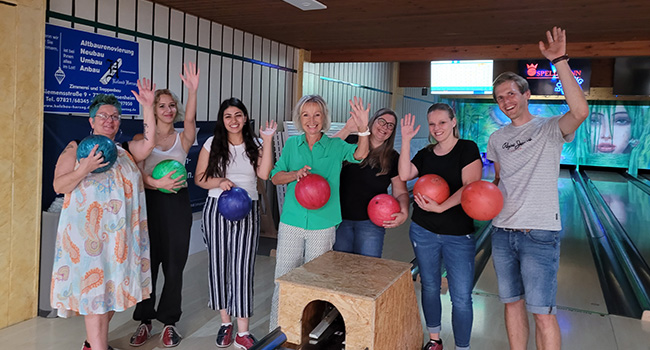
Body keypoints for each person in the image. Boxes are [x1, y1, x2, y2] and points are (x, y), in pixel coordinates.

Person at [486, 27, 589, 350]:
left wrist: (558, 60)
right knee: (512, 304)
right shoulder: (497, 139)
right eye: (500, 97)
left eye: (511, 94)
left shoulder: (549, 128)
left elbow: (580, 112)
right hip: (502, 232)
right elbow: (499, 181)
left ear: (526, 94)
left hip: (539, 232)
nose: (506, 101)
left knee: (543, 313)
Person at [51, 84, 157, 350]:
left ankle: (91, 343)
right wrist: (84, 167)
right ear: (92, 120)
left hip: (119, 239)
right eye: (103, 116)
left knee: (112, 295)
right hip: (88, 241)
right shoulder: (75, 148)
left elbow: (150, 142)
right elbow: (59, 186)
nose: (110, 121)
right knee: (96, 297)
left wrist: (147, 106)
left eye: (115, 116)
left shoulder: (123, 150)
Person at [268, 95, 370, 330]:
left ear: (324, 118)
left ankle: (309, 334)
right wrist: (295, 174)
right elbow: (275, 176)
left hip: (322, 224)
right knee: (283, 278)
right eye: (306, 115)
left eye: (317, 114)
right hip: (292, 222)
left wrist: (363, 128)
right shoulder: (293, 145)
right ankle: (277, 331)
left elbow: (360, 155)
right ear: (299, 118)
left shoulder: (335, 145)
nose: (311, 120)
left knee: (315, 284)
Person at [194, 98, 276, 349]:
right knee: (219, 266)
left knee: (242, 267)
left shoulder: (257, 144)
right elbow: (199, 179)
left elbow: (264, 175)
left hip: (246, 209)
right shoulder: (212, 144)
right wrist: (219, 182)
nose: (233, 120)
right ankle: (225, 323)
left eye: (238, 115)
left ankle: (243, 331)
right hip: (217, 208)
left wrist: (269, 139)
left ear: (245, 118)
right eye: (228, 116)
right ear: (222, 119)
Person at [399, 103, 482, 350]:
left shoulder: (467, 149)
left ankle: (463, 346)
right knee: (430, 286)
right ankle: (434, 341)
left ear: (453, 122)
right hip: (423, 230)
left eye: (442, 123)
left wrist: (441, 207)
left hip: (458, 234)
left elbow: (470, 186)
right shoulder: (425, 154)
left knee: (461, 297)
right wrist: (405, 140)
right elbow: (404, 174)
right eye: (432, 124)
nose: (437, 128)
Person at [129, 62, 200, 347]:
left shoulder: (183, 138)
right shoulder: (140, 140)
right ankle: (145, 320)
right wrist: (156, 184)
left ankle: (169, 322)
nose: (168, 110)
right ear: (153, 110)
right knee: (147, 265)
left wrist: (193, 91)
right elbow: (138, 177)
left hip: (176, 206)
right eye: (162, 105)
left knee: (174, 265)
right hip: (149, 204)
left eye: (172, 105)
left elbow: (192, 121)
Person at [333, 108, 409, 258]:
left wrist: (404, 212)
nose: (384, 127)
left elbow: (400, 192)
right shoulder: (350, 142)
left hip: (371, 223)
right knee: (339, 268)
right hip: (340, 219)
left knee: (368, 270)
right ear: (372, 121)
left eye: (390, 125)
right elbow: (325, 151)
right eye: (382, 121)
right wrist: (347, 129)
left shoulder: (392, 158)